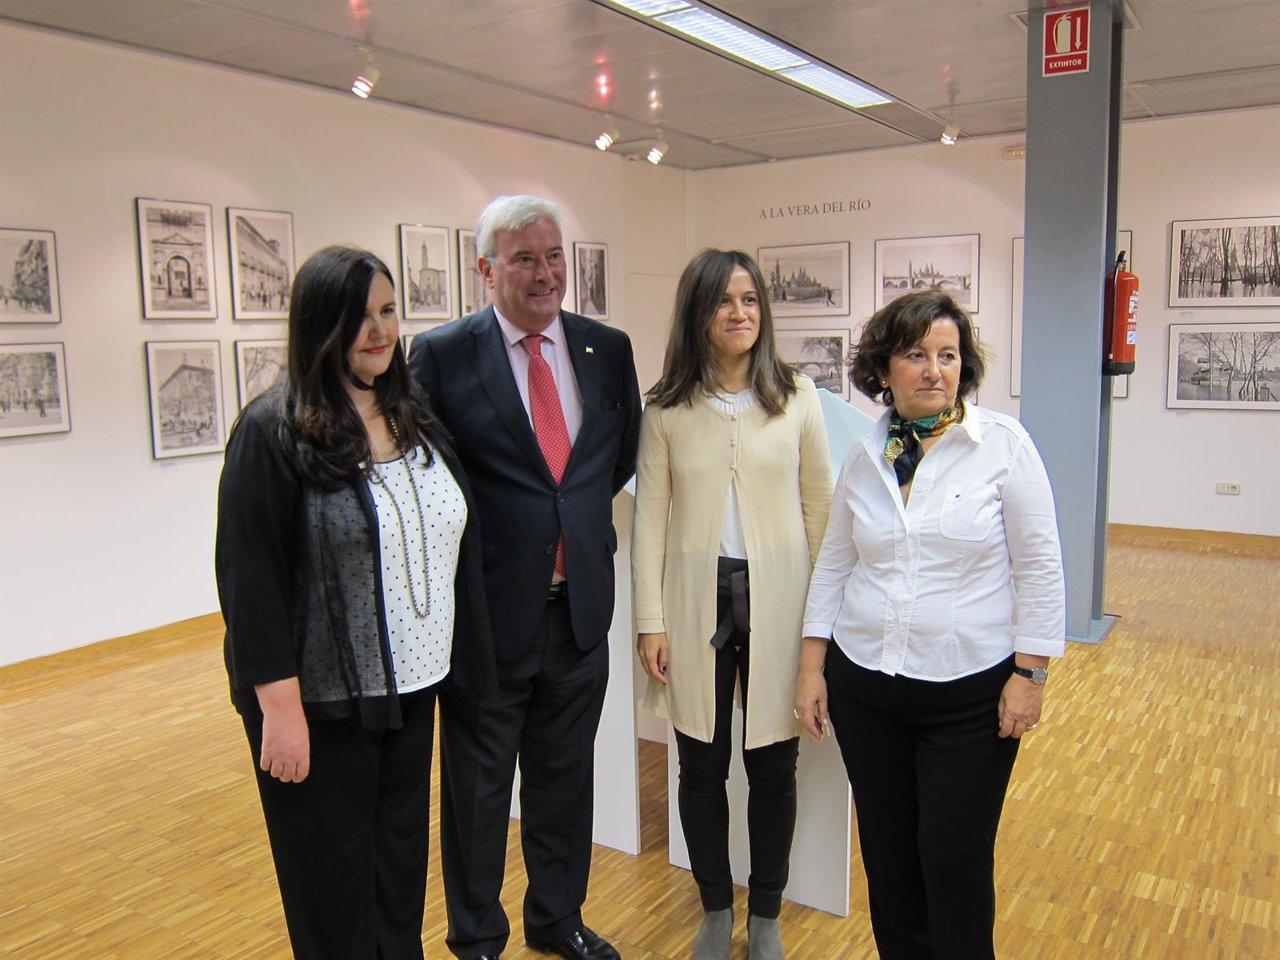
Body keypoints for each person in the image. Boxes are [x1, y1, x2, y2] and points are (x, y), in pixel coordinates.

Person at [215, 246, 494, 960]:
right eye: (358, 317)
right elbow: (250, 582)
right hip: (323, 706)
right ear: (320, 325)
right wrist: (279, 713)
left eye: (388, 311)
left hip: (414, 692)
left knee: (398, 879)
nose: (379, 331)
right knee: (333, 892)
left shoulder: (411, 418)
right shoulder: (273, 431)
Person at [795, 289, 1065, 960]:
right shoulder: (865, 454)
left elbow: (1039, 566)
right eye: (916, 355)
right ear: (883, 369)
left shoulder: (1001, 445)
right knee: (889, 862)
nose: (934, 370)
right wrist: (811, 667)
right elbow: (834, 564)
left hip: (968, 693)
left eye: (948, 355)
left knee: (953, 860)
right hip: (866, 689)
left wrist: (1031, 675)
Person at [409, 195, 641, 960]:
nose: (545, 274)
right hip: (486, 620)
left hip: (579, 614)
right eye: (523, 259)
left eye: (553, 257)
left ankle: (556, 918)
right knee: (478, 794)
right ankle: (476, 937)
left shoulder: (606, 349)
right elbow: (426, 480)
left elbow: (615, 459)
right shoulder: (443, 356)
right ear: (485, 269)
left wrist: (570, 526)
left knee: (564, 782)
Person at [632, 249, 832, 960]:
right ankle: (715, 908)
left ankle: (767, 913)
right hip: (695, 604)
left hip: (781, 601)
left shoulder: (797, 397)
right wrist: (650, 621)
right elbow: (649, 520)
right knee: (700, 765)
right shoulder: (665, 408)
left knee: (775, 766)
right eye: (723, 300)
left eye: (749, 299)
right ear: (699, 312)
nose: (739, 313)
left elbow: (820, 511)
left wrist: (822, 627)